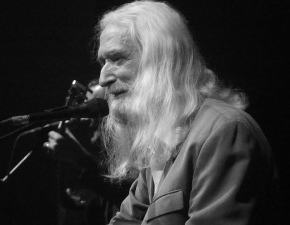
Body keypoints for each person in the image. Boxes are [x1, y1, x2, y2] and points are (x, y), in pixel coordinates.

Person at [95, 1, 280, 225]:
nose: (103, 78)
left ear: (161, 59)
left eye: (117, 59)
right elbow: (126, 220)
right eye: (103, 62)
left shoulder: (224, 130)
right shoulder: (162, 143)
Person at [44, 80, 130, 225]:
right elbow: (71, 210)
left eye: (94, 110)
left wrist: (78, 157)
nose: (84, 119)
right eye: (86, 110)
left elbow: (130, 196)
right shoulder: (101, 167)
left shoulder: (136, 156)